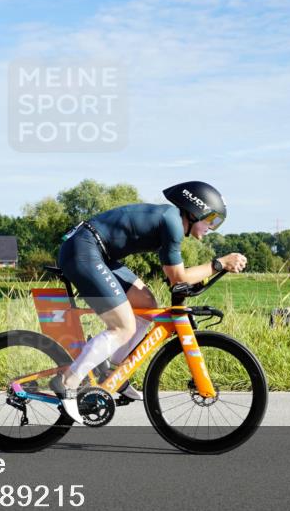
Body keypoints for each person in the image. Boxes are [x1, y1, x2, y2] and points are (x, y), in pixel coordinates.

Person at [49, 181, 248, 424]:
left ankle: (111, 370)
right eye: (212, 220)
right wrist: (219, 263)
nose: (212, 228)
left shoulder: (171, 221)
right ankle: (67, 381)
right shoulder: (172, 223)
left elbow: (177, 283)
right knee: (123, 327)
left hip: (99, 253)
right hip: (83, 250)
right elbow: (179, 278)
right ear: (196, 210)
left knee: (147, 306)